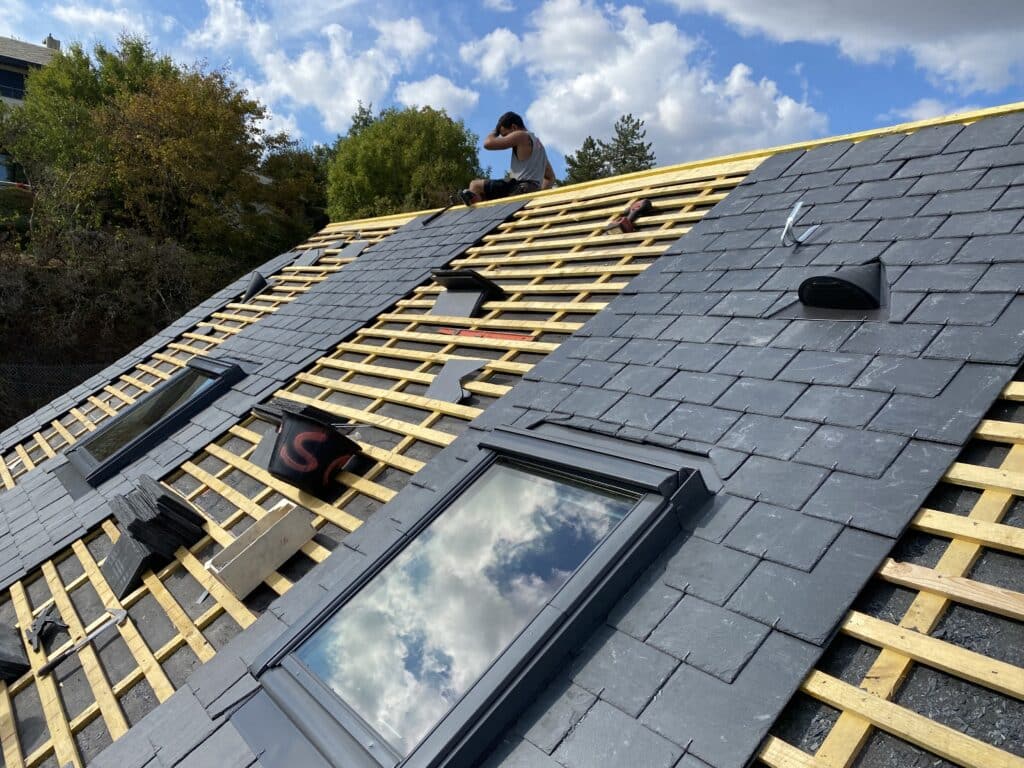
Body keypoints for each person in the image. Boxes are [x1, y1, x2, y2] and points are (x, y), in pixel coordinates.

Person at [460, 112, 556, 205]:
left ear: (514, 127)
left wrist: (496, 131)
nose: (506, 138)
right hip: (531, 189)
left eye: (505, 135)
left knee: (475, 185)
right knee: (483, 195)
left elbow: (487, 144)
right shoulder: (539, 146)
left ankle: (477, 213)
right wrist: (538, 196)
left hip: (520, 188)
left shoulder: (521, 135)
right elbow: (550, 177)